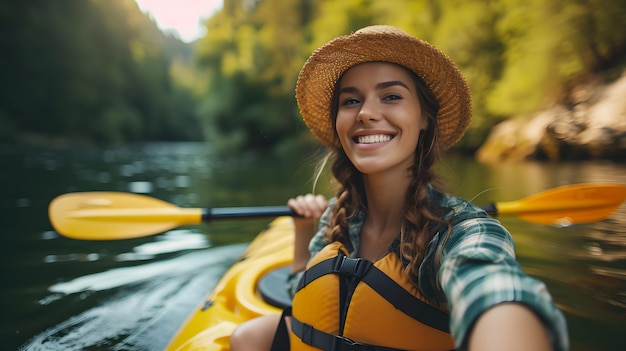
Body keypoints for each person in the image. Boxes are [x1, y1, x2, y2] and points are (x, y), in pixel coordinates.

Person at [230, 25, 568, 351]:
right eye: (350, 101)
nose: (365, 113)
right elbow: (302, 296)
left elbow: (489, 285)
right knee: (249, 336)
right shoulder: (338, 218)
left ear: (424, 118)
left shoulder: (460, 230)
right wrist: (304, 232)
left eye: (391, 96)